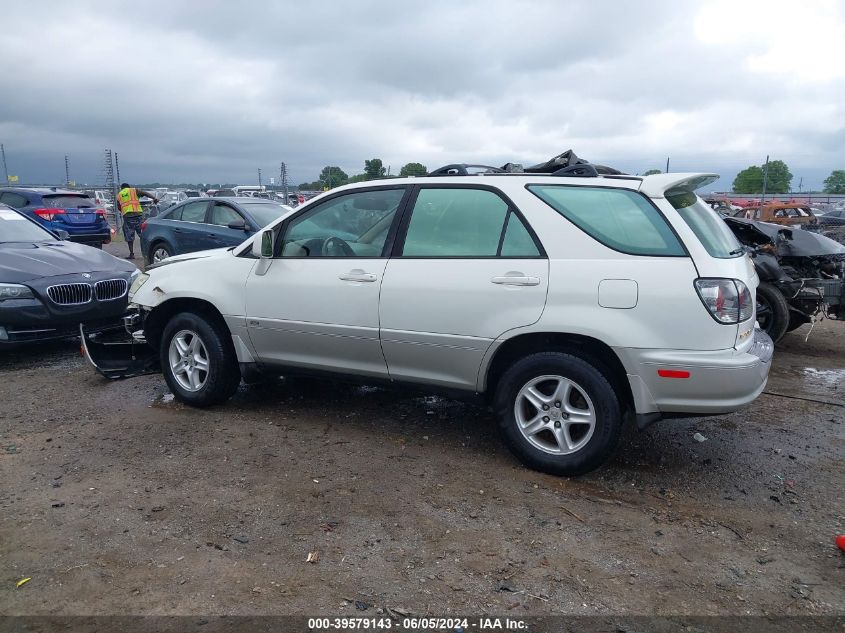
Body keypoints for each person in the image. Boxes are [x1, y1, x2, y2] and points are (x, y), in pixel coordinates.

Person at [117, 183, 158, 259]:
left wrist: (125, 210)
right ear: (129, 187)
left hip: (128, 216)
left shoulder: (119, 194)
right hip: (138, 215)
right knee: (143, 234)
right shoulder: (133, 190)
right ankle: (148, 252)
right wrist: (154, 198)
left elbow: (119, 207)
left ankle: (131, 254)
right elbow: (145, 193)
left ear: (122, 188)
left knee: (129, 236)